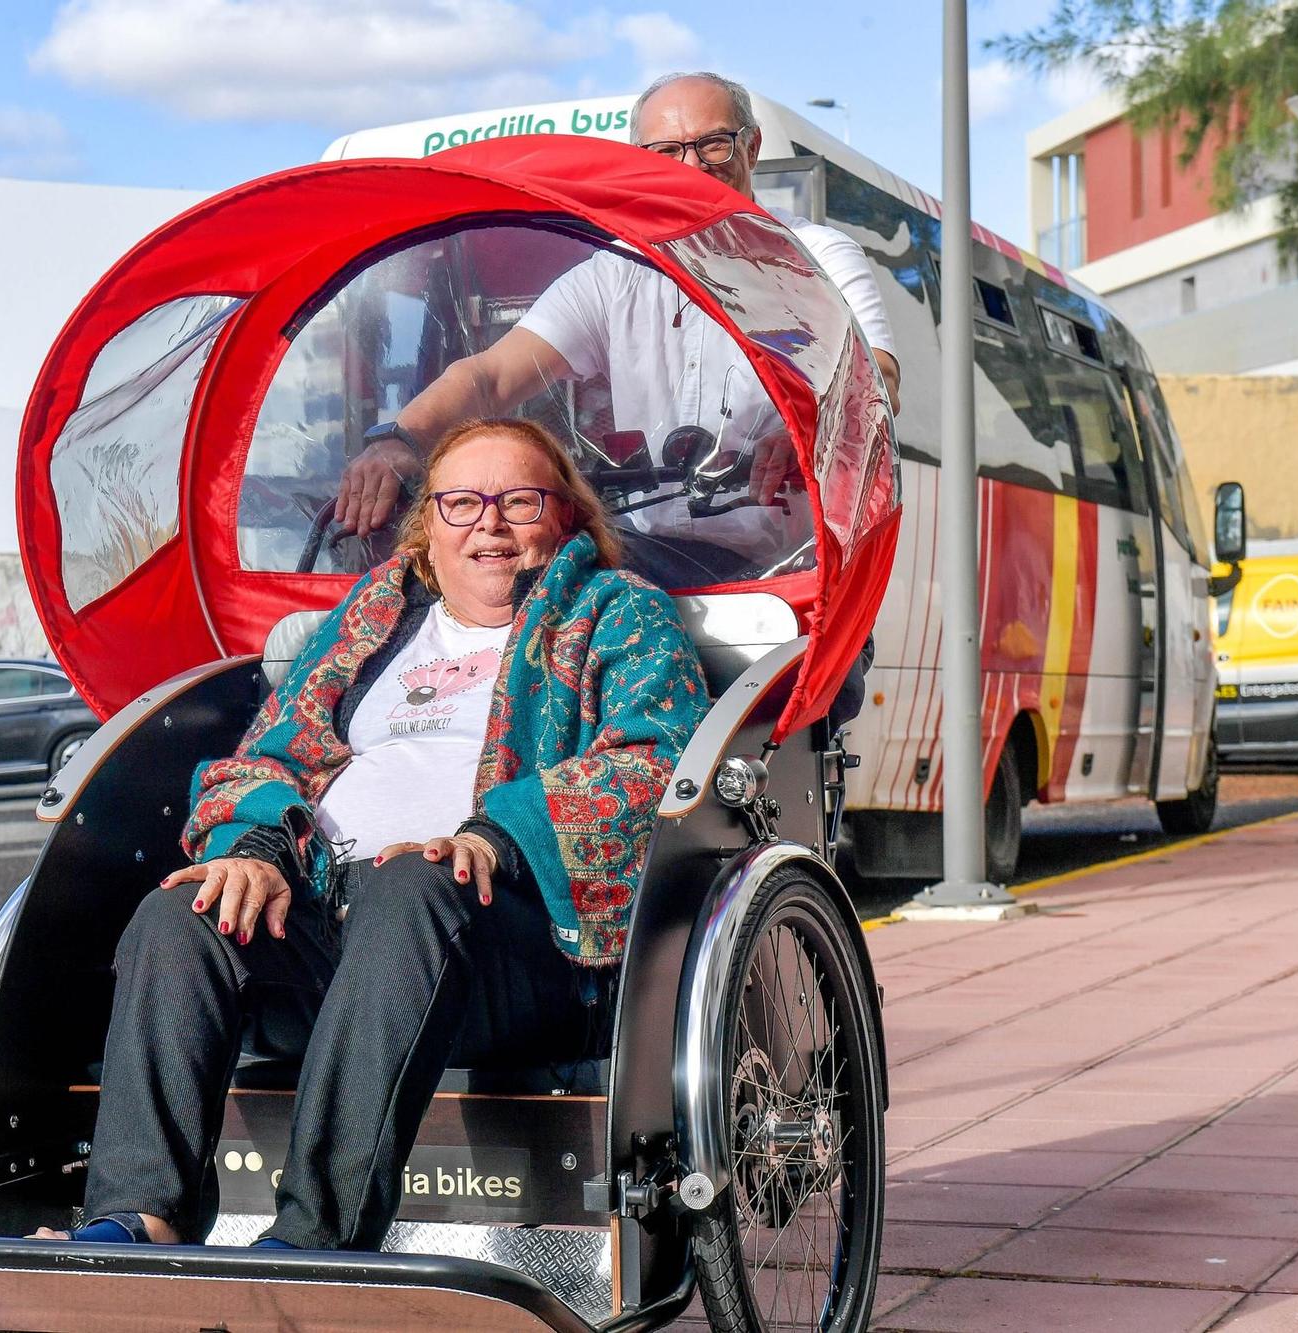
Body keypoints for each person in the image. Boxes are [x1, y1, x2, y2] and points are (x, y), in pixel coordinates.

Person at [44, 418, 709, 1252]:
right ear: (429, 527)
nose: (490, 524)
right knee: (182, 915)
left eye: (520, 501)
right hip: (328, 911)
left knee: (411, 887)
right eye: (462, 503)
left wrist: (494, 838)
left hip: (495, 932)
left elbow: (655, 763)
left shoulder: (615, 611)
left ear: (568, 519)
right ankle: (139, 1214)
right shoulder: (377, 618)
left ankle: (315, 1236)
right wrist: (258, 852)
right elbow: (272, 750)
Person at [333, 71, 901, 561]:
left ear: (751, 149)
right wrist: (397, 439)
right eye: (667, 152)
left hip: (800, 575)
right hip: (652, 560)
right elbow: (491, 376)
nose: (691, 167)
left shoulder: (816, 256)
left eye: (714, 145)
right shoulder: (613, 275)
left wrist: (805, 428)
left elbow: (877, 378)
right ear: (642, 165)